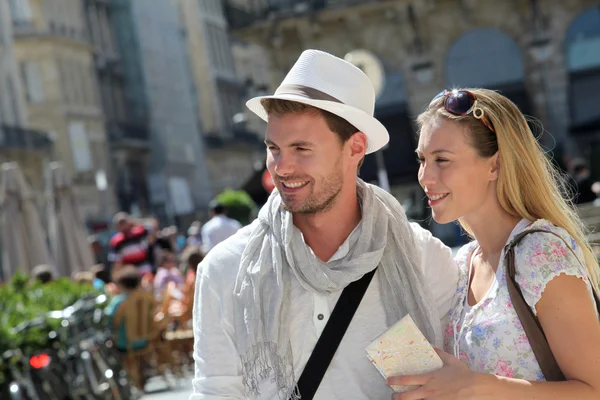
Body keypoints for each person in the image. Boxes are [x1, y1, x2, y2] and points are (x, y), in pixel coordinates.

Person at [190, 49, 458, 400]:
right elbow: (216, 392)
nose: (281, 168)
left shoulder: (421, 259)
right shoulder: (226, 270)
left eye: (302, 148)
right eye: (274, 148)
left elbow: (454, 381)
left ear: (355, 148)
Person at [389, 88, 600, 399]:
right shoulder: (463, 263)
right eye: (422, 159)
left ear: (494, 165)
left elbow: (593, 390)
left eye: (442, 160)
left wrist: (474, 385)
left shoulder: (540, 253)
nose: (425, 176)